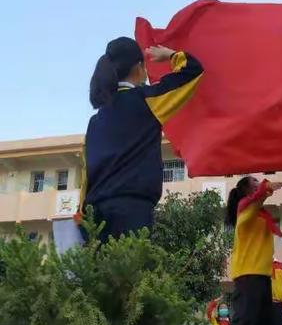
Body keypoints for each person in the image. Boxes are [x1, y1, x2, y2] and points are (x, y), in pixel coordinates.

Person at [80, 37, 203, 242]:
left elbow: (86, 175)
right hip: (132, 212)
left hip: (95, 217)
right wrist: (170, 55)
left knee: (100, 273)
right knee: (130, 272)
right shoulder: (145, 100)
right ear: (139, 67)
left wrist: (82, 215)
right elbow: (192, 71)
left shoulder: (95, 121)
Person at [220, 176, 282, 325]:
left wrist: (264, 191)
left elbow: (259, 199)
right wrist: (267, 188)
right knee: (243, 324)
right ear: (247, 191)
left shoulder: (259, 213)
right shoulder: (245, 208)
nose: (259, 185)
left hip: (262, 274)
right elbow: (257, 198)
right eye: (255, 183)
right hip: (247, 274)